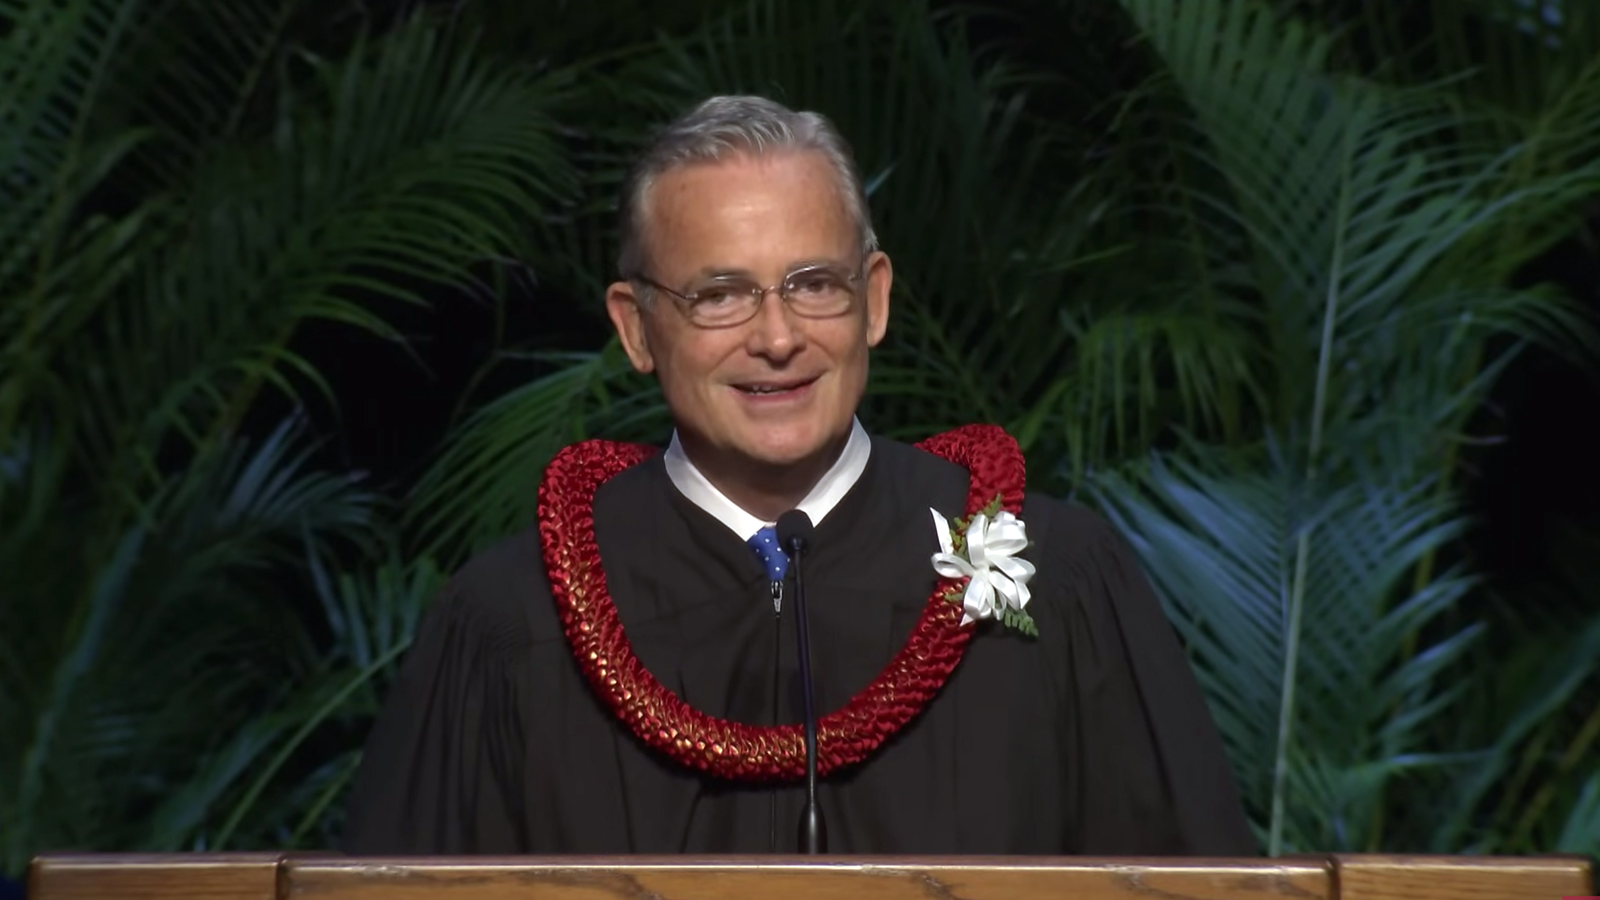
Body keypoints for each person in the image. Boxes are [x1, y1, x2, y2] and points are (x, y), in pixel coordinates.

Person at [342, 95, 1254, 856]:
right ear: (635, 329)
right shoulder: (514, 622)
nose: (777, 338)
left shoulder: (1055, 581)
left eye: (814, 283)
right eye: (719, 294)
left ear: (876, 300)